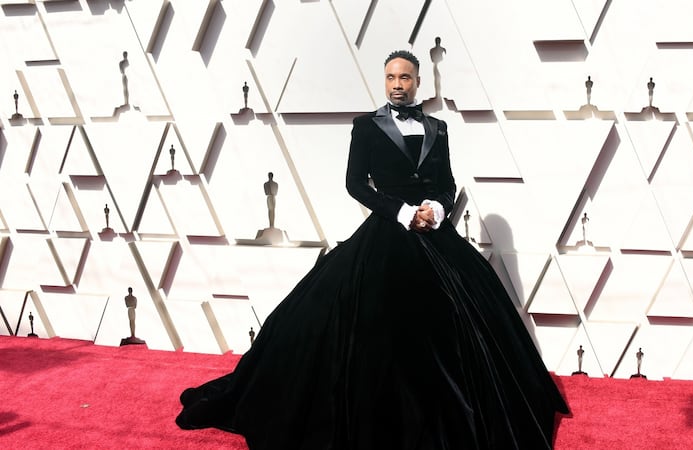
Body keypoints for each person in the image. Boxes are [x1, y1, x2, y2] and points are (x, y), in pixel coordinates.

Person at [176, 49, 569, 449]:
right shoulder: (365, 127)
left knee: (464, 315)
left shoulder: (438, 128)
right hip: (388, 227)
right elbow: (356, 184)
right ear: (385, 82)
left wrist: (436, 207)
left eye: (405, 78)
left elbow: (446, 183)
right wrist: (401, 212)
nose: (397, 85)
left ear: (419, 82)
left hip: (435, 231)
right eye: (390, 78)